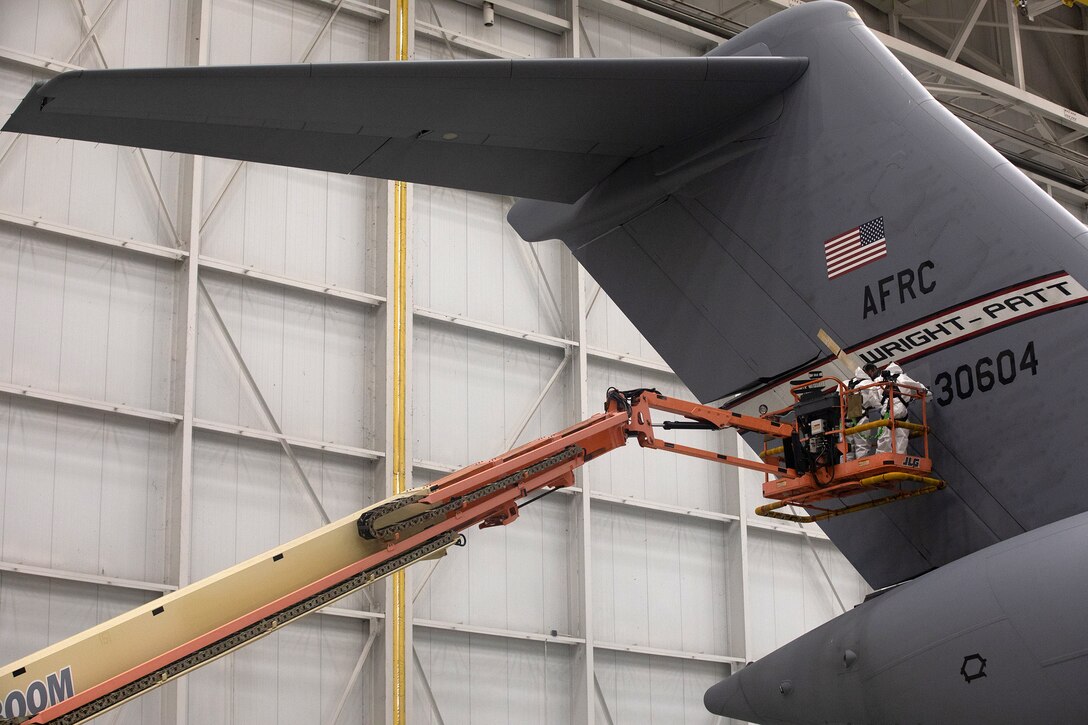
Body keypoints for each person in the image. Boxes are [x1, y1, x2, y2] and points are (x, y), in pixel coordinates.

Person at [876, 362, 928, 454]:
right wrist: (927, 396)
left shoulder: (879, 379)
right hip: (900, 416)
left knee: (883, 444)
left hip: (885, 416)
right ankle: (900, 462)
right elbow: (921, 388)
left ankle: (883, 463)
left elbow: (868, 392)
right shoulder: (903, 378)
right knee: (901, 443)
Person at [845, 364, 881, 460]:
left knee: (847, 449)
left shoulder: (847, 383)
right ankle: (862, 467)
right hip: (859, 417)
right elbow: (876, 402)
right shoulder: (868, 383)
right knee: (862, 446)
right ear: (870, 371)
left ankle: (848, 471)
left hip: (844, 419)